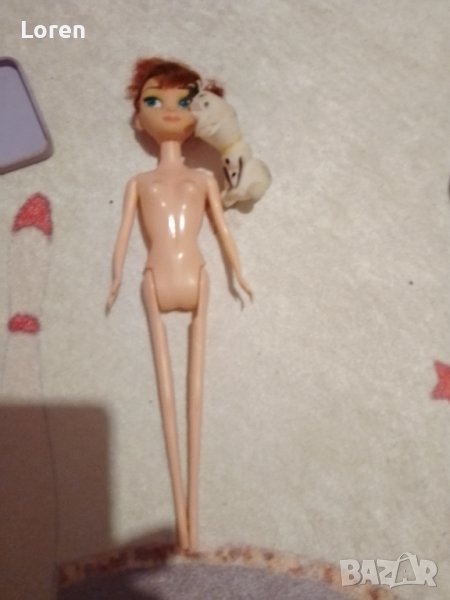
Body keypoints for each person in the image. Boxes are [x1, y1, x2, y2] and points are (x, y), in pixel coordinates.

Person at [106, 57, 251, 552]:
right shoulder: (139, 182)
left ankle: (192, 524)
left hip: (197, 274)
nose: (169, 110)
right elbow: (124, 234)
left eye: (185, 101)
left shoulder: (204, 180)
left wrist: (237, 272)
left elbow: (223, 232)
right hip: (154, 276)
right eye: (154, 100)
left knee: (193, 392)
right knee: (168, 395)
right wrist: (115, 277)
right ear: (138, 118)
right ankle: (183, 529)